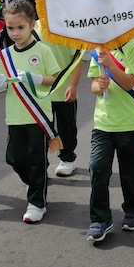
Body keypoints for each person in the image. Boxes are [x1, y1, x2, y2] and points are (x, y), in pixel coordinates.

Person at [0, 0, 61, 223]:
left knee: (36, 160)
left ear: (31, 25)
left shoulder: (42, 50)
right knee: (14, 158)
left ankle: (36, 203)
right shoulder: (5, 55)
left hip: (38, 115)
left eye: (20, 27)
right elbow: (3, 83)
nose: (15, 33)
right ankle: (35, 183)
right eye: (10, 28)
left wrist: (37, 78)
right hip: (15, 115)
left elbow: (55, 80)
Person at [86, 37, 134, 243]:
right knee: (97, 168)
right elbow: (93, 85)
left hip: (130, 123)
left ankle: (133, 210)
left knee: (130, 172)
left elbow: (130, 83)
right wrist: (99, 84)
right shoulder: (99, 50)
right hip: (103, 123)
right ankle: (100, 219)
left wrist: (111, 65)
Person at [33, 17, 85, 178]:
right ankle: (41, 165)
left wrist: (73, 85)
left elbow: (76, 60)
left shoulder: (68, 28)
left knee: (67, 128)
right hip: (41, 93)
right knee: (40, 132)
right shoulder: (32, 27)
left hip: (64, 90)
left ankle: (68, 159)